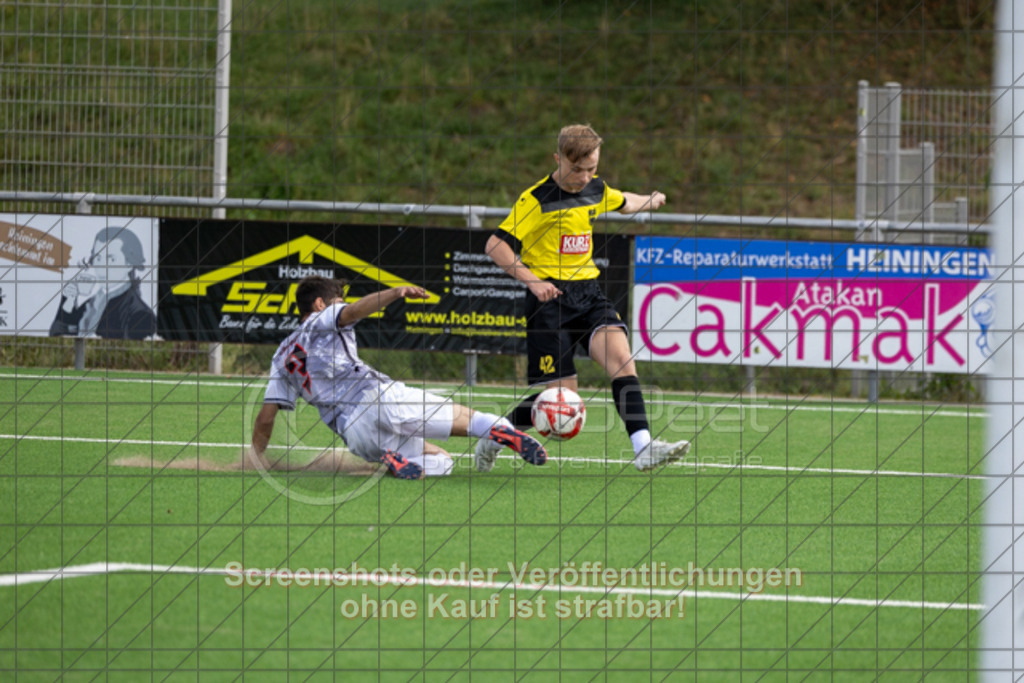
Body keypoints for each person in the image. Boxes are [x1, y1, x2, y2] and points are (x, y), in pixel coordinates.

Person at [481, 123, 691, 472]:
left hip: (589, 294)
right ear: (557, 158)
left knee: (622, 360)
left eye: (592, 168)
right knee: (563, 399)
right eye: (577, 169)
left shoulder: (596, 188)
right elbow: (495, 245)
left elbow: (624, 202)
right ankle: (494, 435)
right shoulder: (536, 200)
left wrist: (651, 200)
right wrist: (533, 282)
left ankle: (644, 448)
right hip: (548, 300)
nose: (584, 177)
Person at [251, 276, 547, 480]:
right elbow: (353, 311)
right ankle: (501, 432)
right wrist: (394, 293)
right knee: (470, 420)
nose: (341, 305)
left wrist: (257, 457)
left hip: (356, 435)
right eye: (337, 301)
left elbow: (266, 417)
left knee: (441, 461)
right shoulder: (322, 318)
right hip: (377, 397)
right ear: (319, 304)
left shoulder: (281, 355)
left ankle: (392, 461)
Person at [49, 226, 157, 339]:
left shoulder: (139, 314)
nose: (102, 267)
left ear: (130, 264)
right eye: (98, 258)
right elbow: (56, 336)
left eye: (111, 259)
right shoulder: (92, 303)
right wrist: (68, 303)